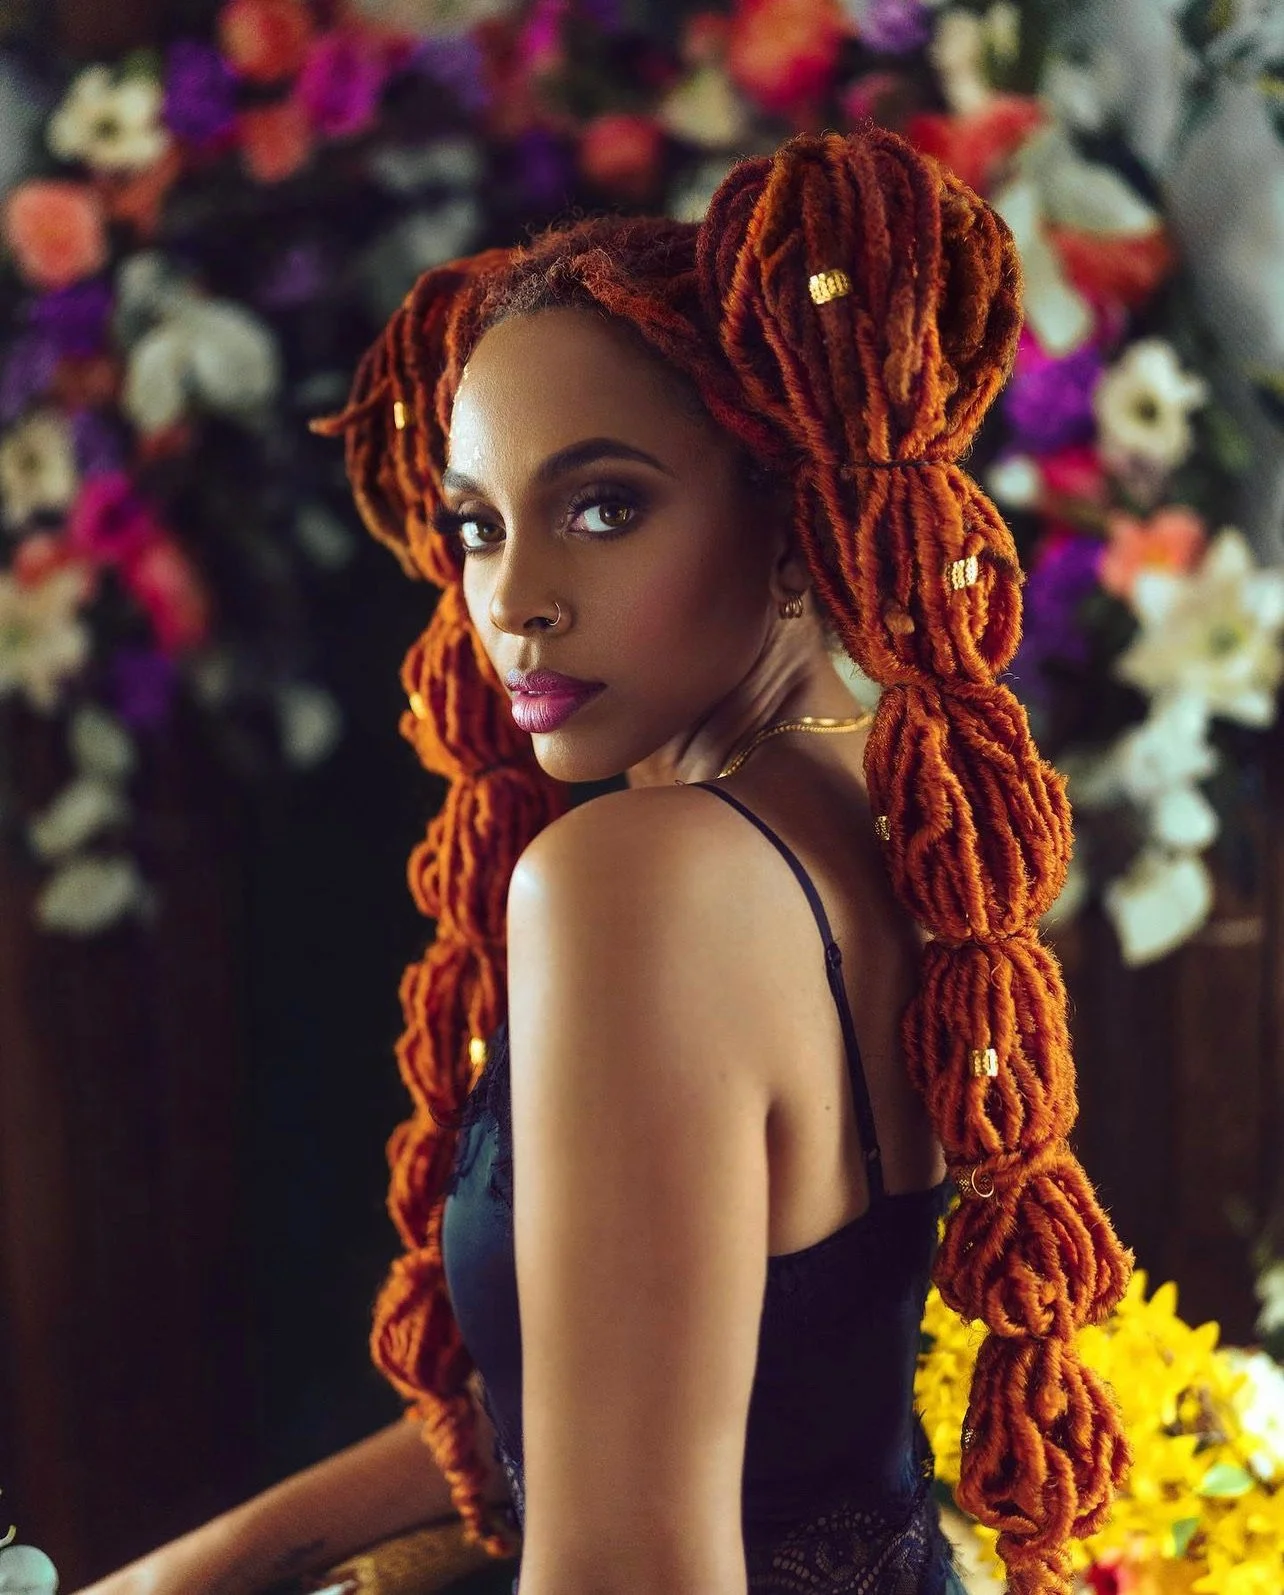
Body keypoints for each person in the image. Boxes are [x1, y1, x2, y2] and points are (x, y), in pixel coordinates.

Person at [74, 123, 1133, 1595]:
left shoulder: (634, 881)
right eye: (477, 525)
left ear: (788, 526)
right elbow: (647, 1414)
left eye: (604, 507)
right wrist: (203, 1565)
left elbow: (630, 1562)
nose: (517, 599)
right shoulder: (894, 815)